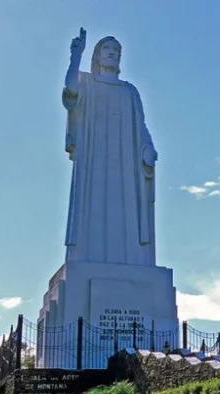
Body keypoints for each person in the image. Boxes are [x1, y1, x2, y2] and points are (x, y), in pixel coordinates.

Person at [62, 28, 159, 265]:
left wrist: (148, 148)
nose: (113, 53)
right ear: (97, 55)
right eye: (108, 49)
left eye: (117, 50)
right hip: (94, 161)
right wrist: (76, 55)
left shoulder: (130, 92)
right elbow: (71, 91)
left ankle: (129, 261)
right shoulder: (87, 82)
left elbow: (141, 126)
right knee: (92, 211)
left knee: (124, 213)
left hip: (125, 167)